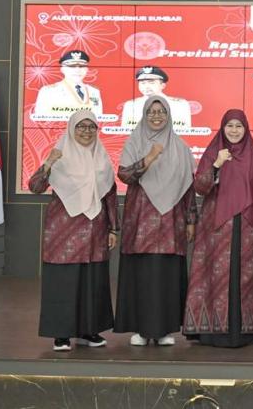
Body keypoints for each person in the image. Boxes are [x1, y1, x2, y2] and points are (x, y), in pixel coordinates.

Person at [183, 109, 253, 347]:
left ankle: (243, 330)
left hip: (247, 227)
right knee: (215, 276)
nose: (234, 130)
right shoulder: (214, 152)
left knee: (244, 277)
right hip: (215, 228)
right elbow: (200, 187)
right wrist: (216, 164)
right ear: (222, 128)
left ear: (245, 129)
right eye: (229, 126)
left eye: (239, 126)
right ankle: (212, 329)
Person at [29, 110, 118, 352]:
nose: (86, 131)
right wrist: (48, 162)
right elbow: (35, 187)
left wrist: (114, 229)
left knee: (92, 281)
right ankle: (61, 335)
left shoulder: (102, 158)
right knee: (64, 282)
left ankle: (89, 331)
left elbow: (109, 195)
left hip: (94, 230)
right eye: (81, 126)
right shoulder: (60, 155)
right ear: (72, 129)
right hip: (63, 233)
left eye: (91, 127)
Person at [114, 96, 197, 346]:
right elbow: (125, 176)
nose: (157, 115)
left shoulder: (180, 146)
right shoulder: (134, 141)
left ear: (169, 114)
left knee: (167, 275)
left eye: (161, 111)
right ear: (144, 114)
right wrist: (148, 159)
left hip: (171, 221)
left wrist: (191, 219)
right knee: (141, 273)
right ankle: (140, 329)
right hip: (140, 220)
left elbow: (188, 187)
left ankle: (164, 330)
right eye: (152, 111)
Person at [33, 50, 103, 119]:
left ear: (87, 69)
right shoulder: (49, 91)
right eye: (72, 66)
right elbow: (41, 119)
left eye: (81, 66)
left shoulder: (94, 91)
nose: (77, 70)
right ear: (63, 69)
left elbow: (98, 117)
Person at [120, 66, 192, 130]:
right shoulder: (131, 105)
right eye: (143, 83)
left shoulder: (179, 104)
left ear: (162, 85)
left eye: (151, 82)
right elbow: (126, 132)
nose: (146, 86)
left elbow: (184, 132)